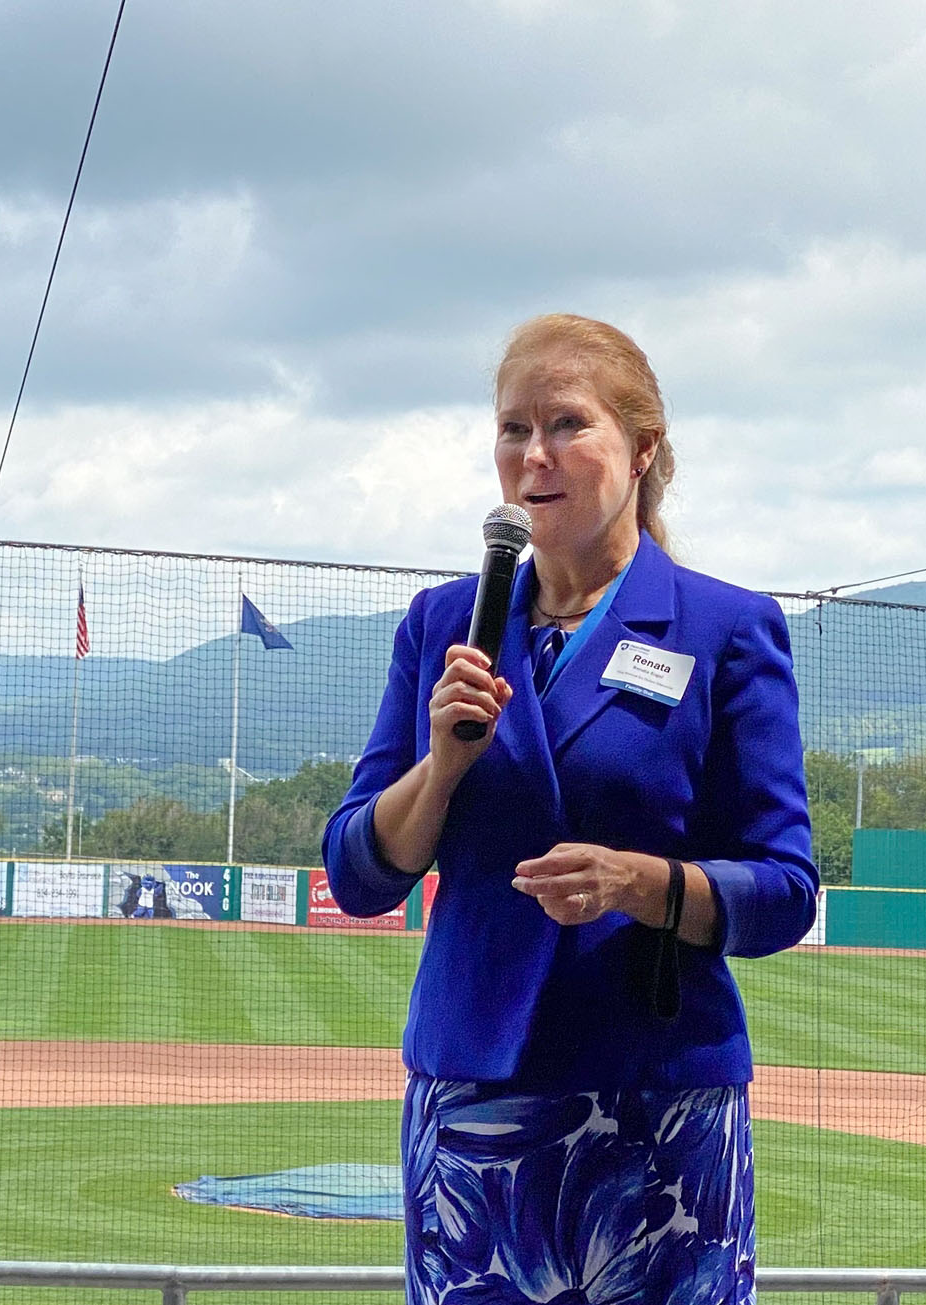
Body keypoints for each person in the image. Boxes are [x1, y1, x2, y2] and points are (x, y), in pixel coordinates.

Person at [323, 313, 818, 1304]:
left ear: (641, 452)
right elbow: (357, 872)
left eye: (565, 425)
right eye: (513, 429)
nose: (532, 456)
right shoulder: (442, 626)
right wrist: (442, 765)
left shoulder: (723, 631)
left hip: (658, 1109)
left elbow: (786, 890)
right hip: (475, 1107)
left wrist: (648, 886)